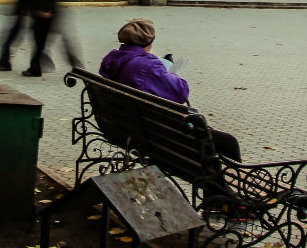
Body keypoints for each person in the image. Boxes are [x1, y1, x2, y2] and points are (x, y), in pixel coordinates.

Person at [99, 18, 241, 161]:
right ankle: (225, 182)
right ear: (149, 43)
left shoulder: (114, 60)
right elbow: (180, 93)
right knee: (228, 142)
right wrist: (172, 75)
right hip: (159, 137)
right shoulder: (147, 65)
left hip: (125, 128)